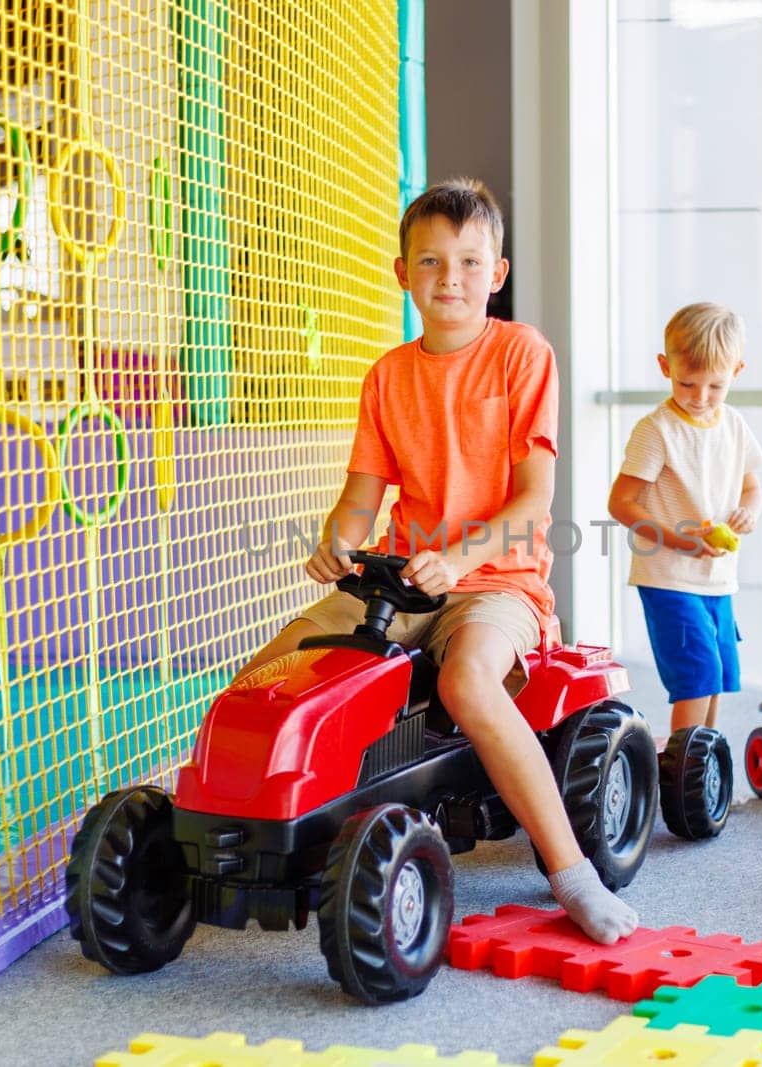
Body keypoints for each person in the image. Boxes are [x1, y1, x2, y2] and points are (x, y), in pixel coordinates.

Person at [231, 178, 639, 944]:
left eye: (468, 261)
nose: (450, 277)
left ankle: (572, 872)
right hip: (399, 575)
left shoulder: (522, 354)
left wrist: (458, 558)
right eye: (431, 261)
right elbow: (361, 496)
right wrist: (338, 542)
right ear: (402, 274)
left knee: (466, 679)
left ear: (498, 273)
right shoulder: (388, 376)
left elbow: (530, 501)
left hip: (496, 580)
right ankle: (239, 826)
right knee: (271, 666)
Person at [607, 302, 762, 735]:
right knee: (696, 672)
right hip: (669, 576)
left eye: (715, 386)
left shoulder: (733, 425)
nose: (699, 397)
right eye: (687, 383)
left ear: (737, 371)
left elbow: (752, 488)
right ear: (665, 367)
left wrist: (747, 513)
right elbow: (621, 503)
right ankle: (685, 766)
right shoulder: (655, 430)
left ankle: (704, 757)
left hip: (718, 577)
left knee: (714, 673)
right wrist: (679, 541)